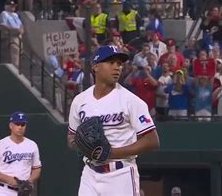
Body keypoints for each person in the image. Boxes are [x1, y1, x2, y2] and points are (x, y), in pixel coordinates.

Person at [67, 45, 160, 195]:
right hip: (89, 173)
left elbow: (152, 141)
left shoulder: (131, 101)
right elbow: (71, 138)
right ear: (96, 67)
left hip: (120, 173)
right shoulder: (80, 100)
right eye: (111, 62)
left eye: (119, 63)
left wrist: (111, 153)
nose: (117, 67)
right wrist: (82, 145)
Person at [0, 112, 42, 195]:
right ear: (11, 125)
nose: (20, 127)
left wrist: (30, 181)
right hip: (4, 191)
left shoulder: (32, 145)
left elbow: (37, 168)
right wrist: (8, 179)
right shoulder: (0, 145)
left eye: (23, 124)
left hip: (24, 191)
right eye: (17, 124)